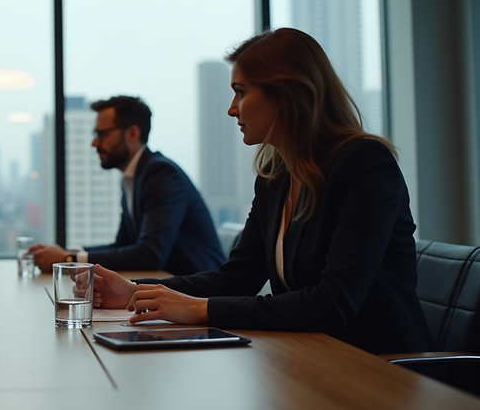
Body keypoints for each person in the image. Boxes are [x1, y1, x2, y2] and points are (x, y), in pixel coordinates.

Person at [92, 28, 433, 355]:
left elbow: (332, 305)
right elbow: (238, 278)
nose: (232, 108)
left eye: (241, 91)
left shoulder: (364, 164)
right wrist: (136, 293)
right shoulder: (275, 178)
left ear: (286, 93)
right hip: (309, 357)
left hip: (379, 369)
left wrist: (201, 310)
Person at [30, 96, 225, 274]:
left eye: (102, 134)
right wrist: (69, 254)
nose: (94, 143)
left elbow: (150, 254)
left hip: (202, 295)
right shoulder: (134, 177)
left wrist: (69, 260)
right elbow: (122, 245)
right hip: (171, 287)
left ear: (132, 133)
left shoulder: (162, 174)